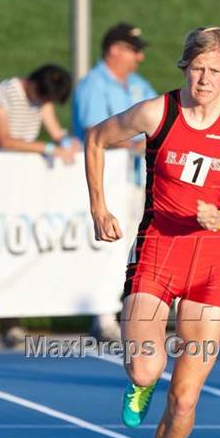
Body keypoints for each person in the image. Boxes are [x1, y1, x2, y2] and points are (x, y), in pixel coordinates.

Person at [84, 26, 220, 438]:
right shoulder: (156, 112)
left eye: (215, 71)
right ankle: (139, 383)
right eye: (198, 69)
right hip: (156, 254)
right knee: (147, 368)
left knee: (185, 400)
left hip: (211, 265)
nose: (205, 80)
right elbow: (96, 139)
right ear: (185, 67)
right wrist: (99, 208)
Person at [73, 22, 157, 342]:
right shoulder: (92, 85)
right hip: (108, 180)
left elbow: (158, 122)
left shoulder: (137, 84)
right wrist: (136, 143)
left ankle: (131, 310)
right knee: (108, 245)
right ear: (115, 50)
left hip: (137, 180)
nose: (140, 57)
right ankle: (103, 314)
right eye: (135, 50)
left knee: (138, 247)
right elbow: (95, 134)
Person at [0, 64, 80, 348]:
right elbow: (5, 140)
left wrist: (68, 144)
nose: (43, 105)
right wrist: (50, 149)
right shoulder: (4, 95)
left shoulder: (42, 98)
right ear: (33, 86)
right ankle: (8, 320)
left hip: (17, 185)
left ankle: (12, 319)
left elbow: (55, 131)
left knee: (14, 246)